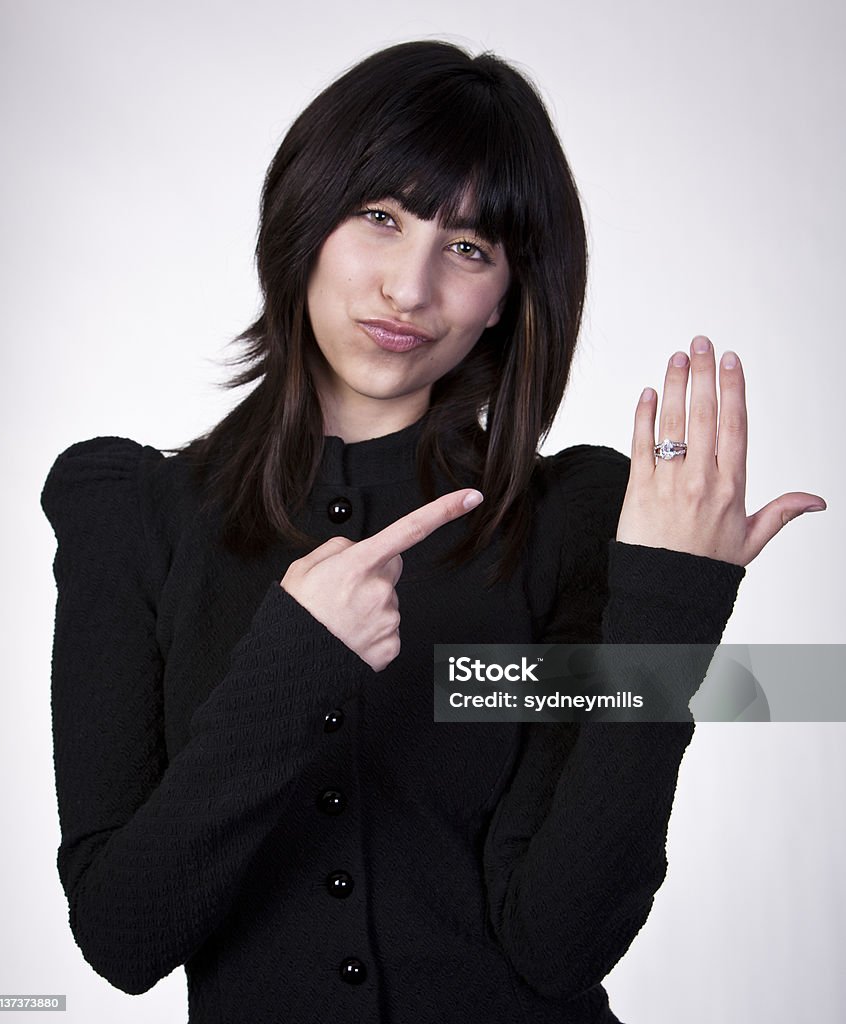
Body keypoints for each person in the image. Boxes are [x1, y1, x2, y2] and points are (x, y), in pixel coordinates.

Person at [40, 40, 825, 1024]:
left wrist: (668, 620)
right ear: (304, 220)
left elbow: (558, 943)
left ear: (506, 295)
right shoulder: (136, 516)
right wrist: (293, 662)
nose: (408, 288)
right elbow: (124, 936)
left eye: (467, 248)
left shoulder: (568, 520)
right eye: (380, 217)